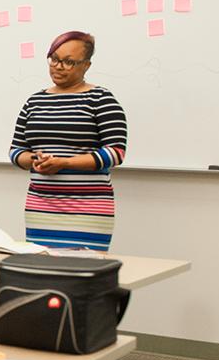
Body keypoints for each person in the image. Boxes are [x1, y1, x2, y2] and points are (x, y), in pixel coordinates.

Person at [8, 30, 129, 251]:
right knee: (42, 271)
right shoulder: (35, 102)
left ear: (86, 65)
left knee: (81, 275)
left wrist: (64, 163)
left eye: (68, 62)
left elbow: (115, 153)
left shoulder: (101, 100)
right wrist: (34, 159)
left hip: (88, 209)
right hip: (41, 207)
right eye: (54, 59)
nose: (58, 66)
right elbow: (16, 151)